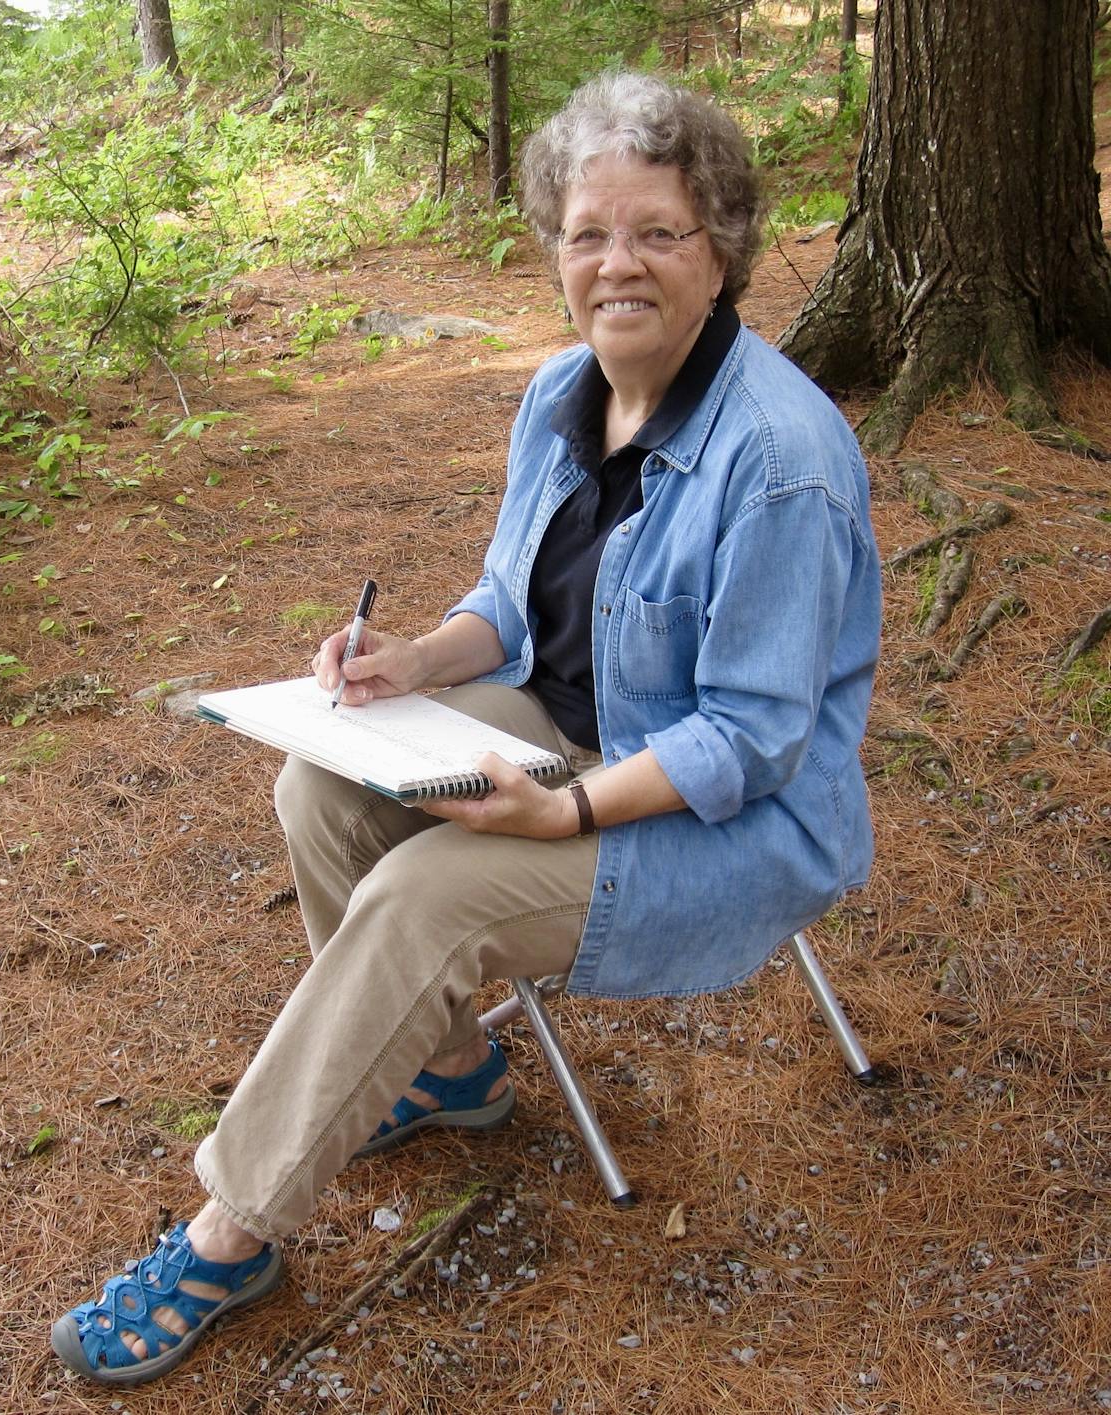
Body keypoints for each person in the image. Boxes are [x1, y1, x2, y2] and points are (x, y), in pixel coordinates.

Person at [51, 70, 881, 1387]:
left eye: (658, 233)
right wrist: (409, 660)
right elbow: (511, 601)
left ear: (719, 251)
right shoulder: (564, 388)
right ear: (555, 244)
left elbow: (754, 739)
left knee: (431, 896)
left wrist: (565, 810)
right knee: (318, 793)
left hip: (723, 808)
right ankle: (444, 1067)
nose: (619, 264)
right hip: (573, 722)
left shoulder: (780, 457)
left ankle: (232, 1228)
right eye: (588, 232)